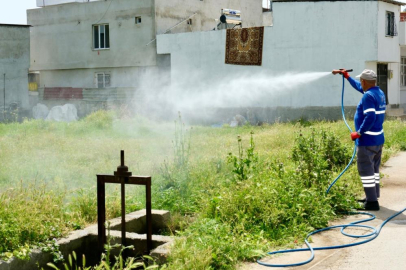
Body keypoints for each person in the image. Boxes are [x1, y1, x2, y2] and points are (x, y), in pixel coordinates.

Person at [332, 69, 386, 211]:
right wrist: (347, 77)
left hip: (367, 141)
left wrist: (359, 133)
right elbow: (359, 87)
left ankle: (372, 203)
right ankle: (372, 196)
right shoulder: (378, 93)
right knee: (373, 169)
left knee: (366, 170)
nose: (360, 83)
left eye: (360, 81)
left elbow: (370, 117)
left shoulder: (368, 96)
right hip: (378, 139)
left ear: (364, 81)